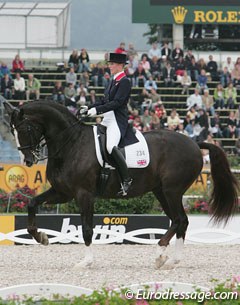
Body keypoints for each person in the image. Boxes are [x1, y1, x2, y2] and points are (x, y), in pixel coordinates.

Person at [86, 53, 138, 196]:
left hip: (117, 120)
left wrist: (97, 110)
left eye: (112, 64)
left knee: (110, 146)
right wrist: (89, 107)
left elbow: (117, 103)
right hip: (106, 118)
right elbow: (104, 100)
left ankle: (127, 180)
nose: (109, 66)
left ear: (120, 66)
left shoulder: (125, 81)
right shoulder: (112, 81)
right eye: (109, 64)